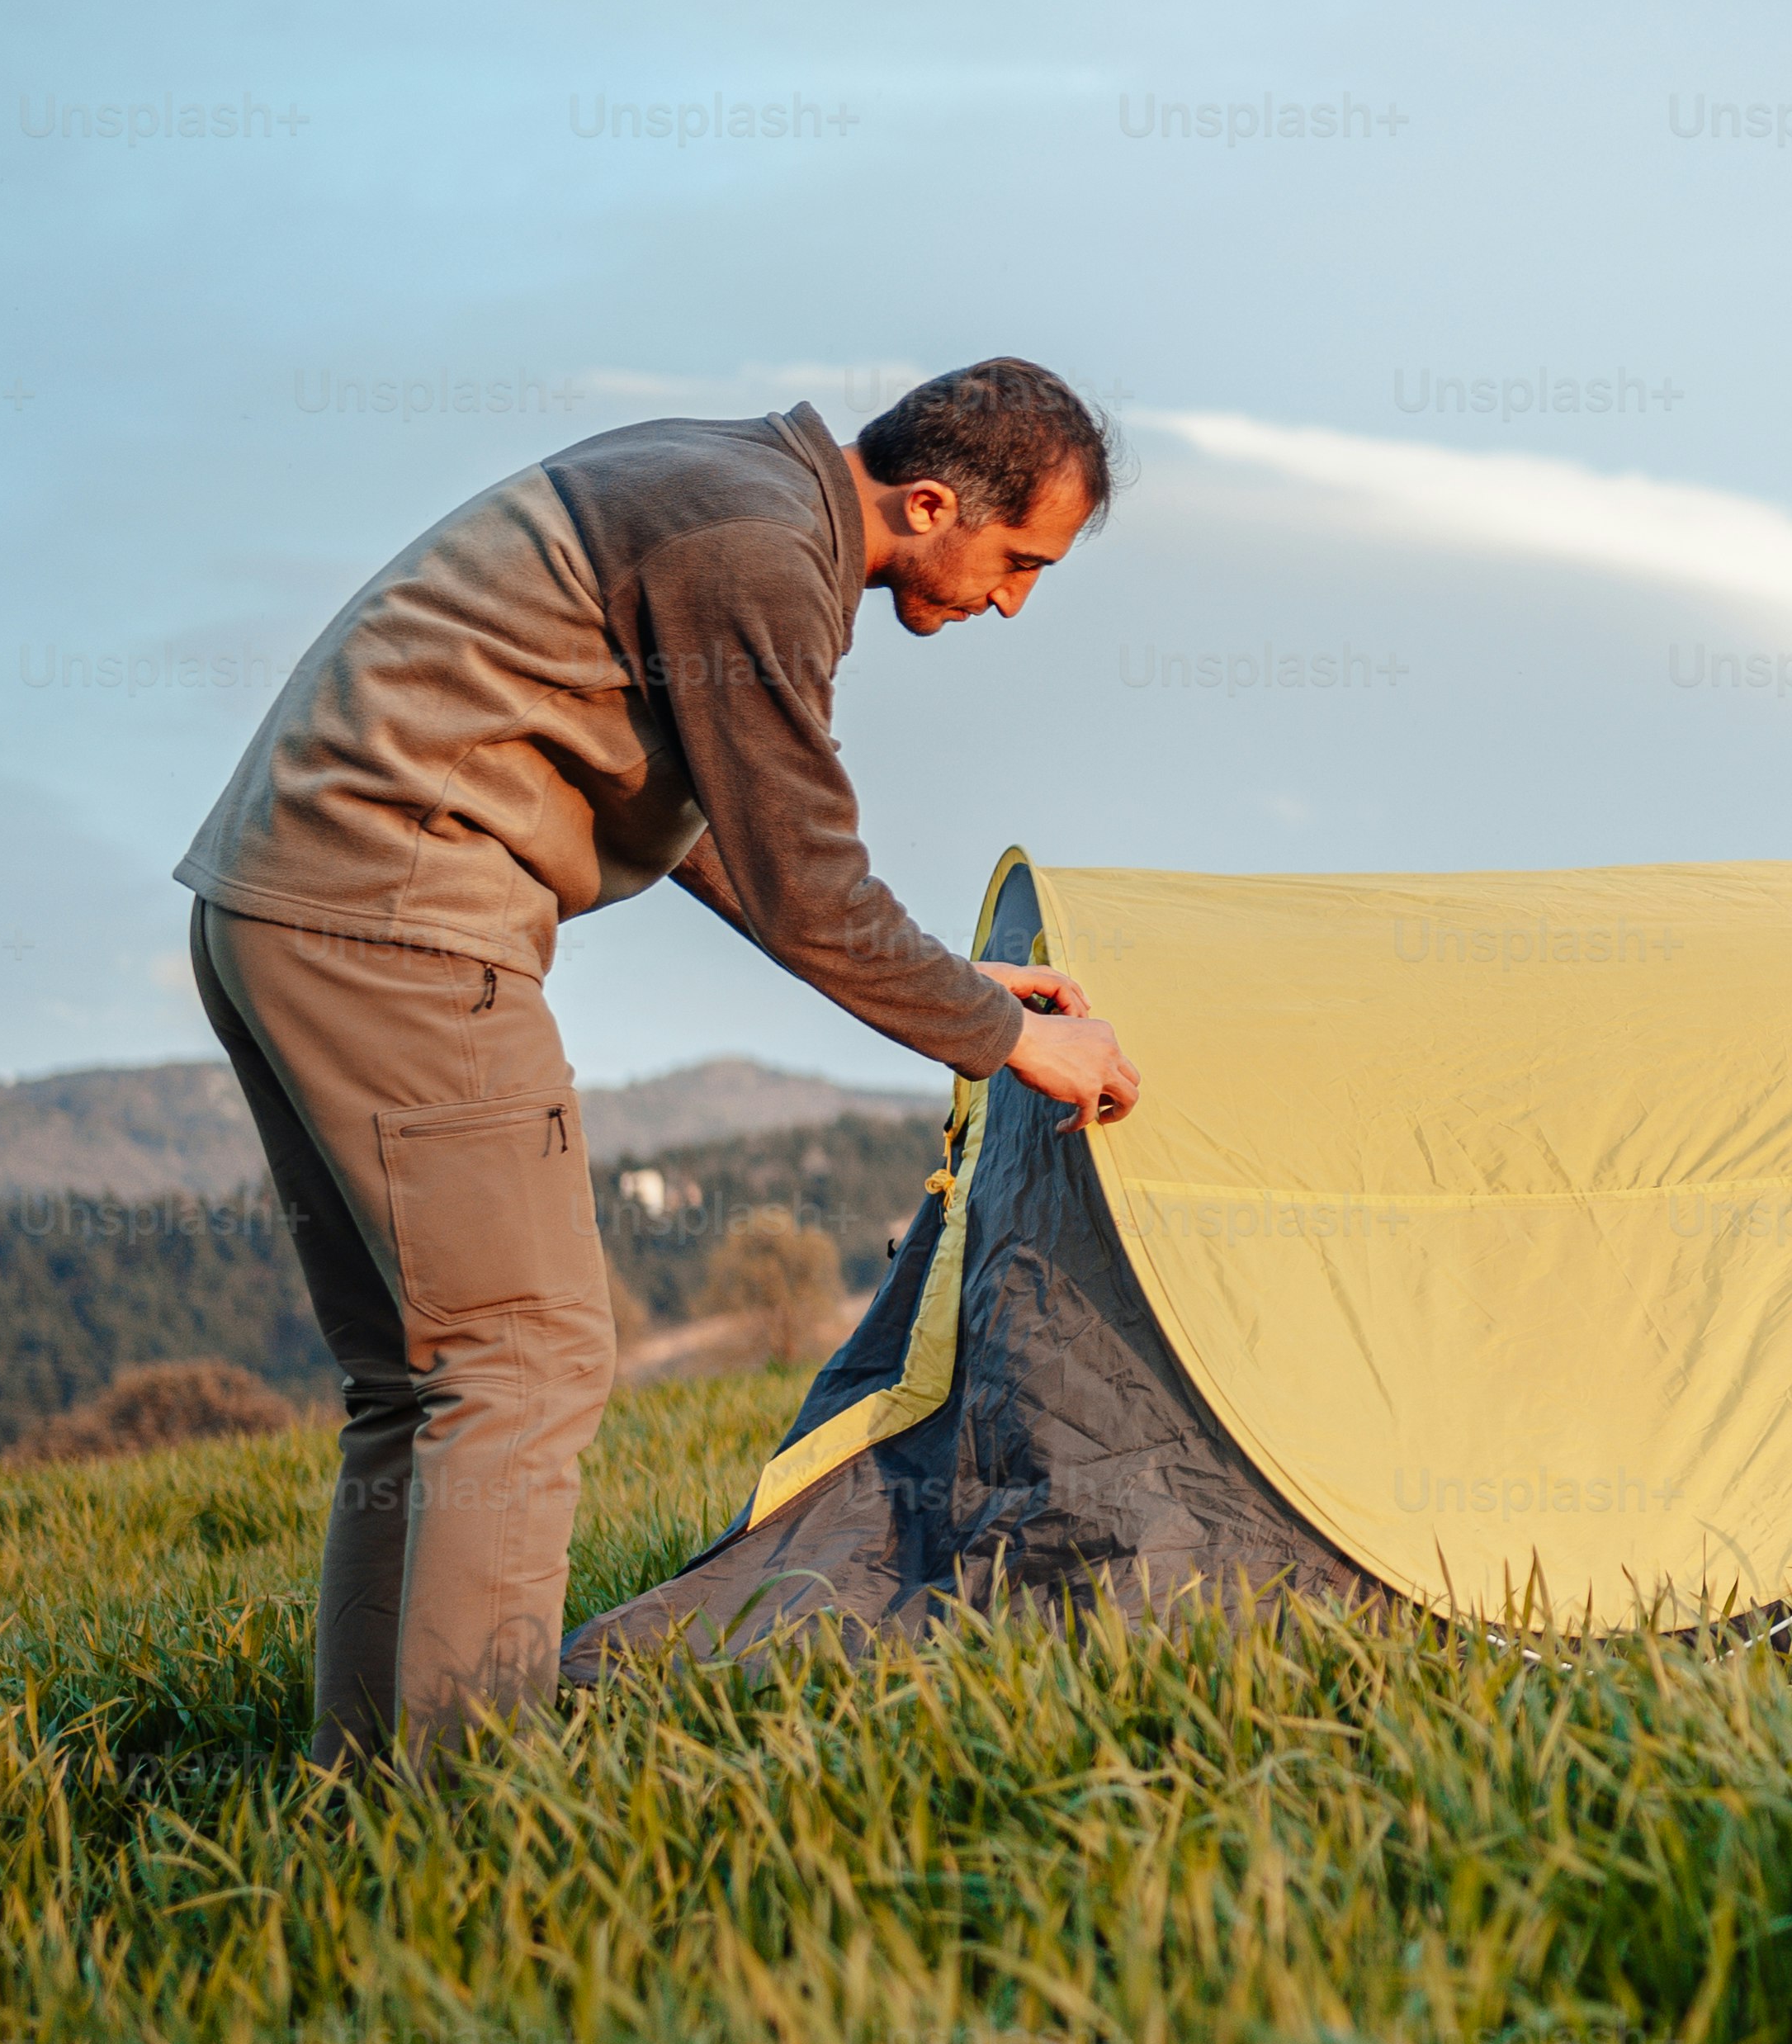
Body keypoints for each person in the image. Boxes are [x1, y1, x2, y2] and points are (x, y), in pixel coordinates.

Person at [177, 360, 1144, 1768]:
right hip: (400, 922)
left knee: (423, 1378)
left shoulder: (730, 483)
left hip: (280, 910)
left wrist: (957, 982)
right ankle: (474, 1810)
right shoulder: (758, 550)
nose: (1014, 601)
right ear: (930, 500)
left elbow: (720, 828)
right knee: (522, 1362)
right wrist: (1018, 1041)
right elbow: (811, 884)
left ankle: (372, 1792)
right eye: (1016, 561)